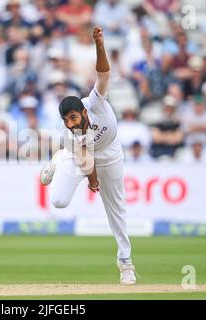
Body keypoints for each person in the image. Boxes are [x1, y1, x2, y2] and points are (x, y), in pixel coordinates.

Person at [39, 26, 136, 285]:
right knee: (58, 200)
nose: (71, 123)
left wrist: (100, 45)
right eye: (66, 120)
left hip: (111, 154)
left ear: (82, 111)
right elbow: (86, 160)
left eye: (73, 117)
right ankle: (59, 158)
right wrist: (93, 182)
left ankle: (126, 263)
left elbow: (103, 73)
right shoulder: (70, 134)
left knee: (117, 211)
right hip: (81, 157)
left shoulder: (96, 102)